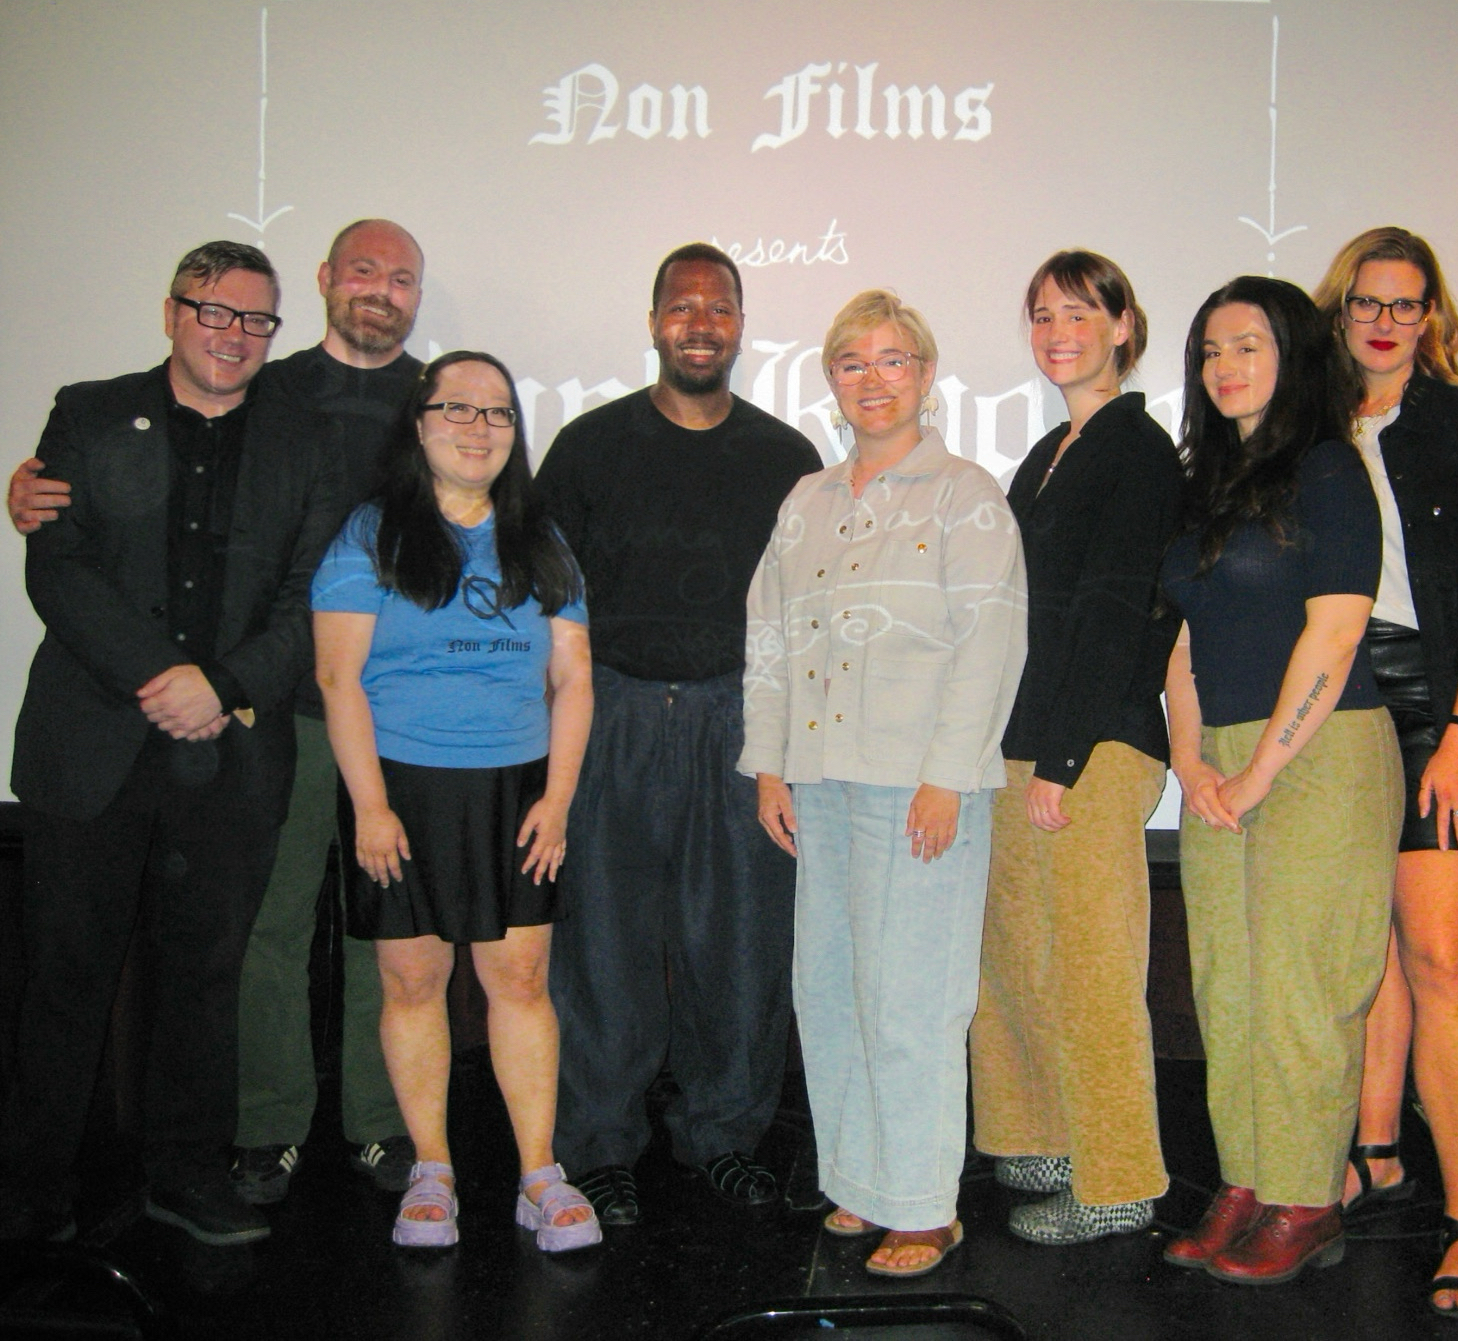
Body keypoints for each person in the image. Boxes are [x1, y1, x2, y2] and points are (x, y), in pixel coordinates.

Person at [7, 219, 429, 1203]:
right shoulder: (122, 408)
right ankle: (37, 1196)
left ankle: (234, 1170)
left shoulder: (372, 417)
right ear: (173, 314)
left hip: (303, 732)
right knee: (91, 977)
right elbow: (61, 562)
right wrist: (167, 677)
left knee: (247, 972)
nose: (233, 334)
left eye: (252, 320)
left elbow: (315, 585)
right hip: (150, 736)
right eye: (213, 313)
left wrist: (227, 685)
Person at [742, 289, 1027, 1278]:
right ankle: (862, 1182)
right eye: (853, 362)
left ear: (926, 374)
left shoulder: (965, 496)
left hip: (919, 791)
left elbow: (990, 646)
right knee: (830, 994)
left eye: (893, 359)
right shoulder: (806, 501)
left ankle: (926, 1209)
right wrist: (769, 764)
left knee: (912, 1002)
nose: (873, 379)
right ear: (832, 379)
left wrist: (948, 778)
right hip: (820, 784)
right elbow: (770, 636)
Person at [535, 244, 822, 1225]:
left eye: (720, 307)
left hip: (739, 720)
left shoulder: (785, 458)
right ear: (654, 320)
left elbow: (807, 612)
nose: (701, 323)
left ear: (741, 325)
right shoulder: (587, 447)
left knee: (740, 945)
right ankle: (600, 1145)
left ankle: (725, 1134)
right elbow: (545, 600)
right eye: (682, 305)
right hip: (611, 712)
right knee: (602, 944)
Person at [312, 350, 599, 1251]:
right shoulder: (371, 534)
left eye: (499, 413)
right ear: (419, 422)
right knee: (412, 982)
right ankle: (431, 1172)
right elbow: (338, 679)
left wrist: (558, 799)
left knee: (520, 981)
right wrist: (370, 808)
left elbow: (574, 678)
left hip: (517, 789)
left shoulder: (539, 538)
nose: (480, 428)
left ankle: (539, 1177)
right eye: (458, 409)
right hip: (400, 789)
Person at [1309, 227, 1458, 1316]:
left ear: (1431, 315)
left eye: (1406, 304)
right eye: (1368, 302)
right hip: (1335, 696)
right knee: (1370, 949)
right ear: (1340, 308)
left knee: (1442, 957)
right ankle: (1377, 1155)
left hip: (1439, 705)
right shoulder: (1311, 426)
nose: (1385, 322)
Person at [1158, 276, 1401, 1285]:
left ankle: (1307, 1199)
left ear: (1294, 355)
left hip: (1322, 755)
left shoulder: (1330, 469)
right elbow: (1182, 638)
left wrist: (1261, 769)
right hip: (1220, 758)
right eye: (1211, 350)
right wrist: (1190, 761)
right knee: (1229, 985)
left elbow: (1335, 633)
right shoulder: (1205, 483)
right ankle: (1248, 1183)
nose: (1226, 366)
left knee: (1305, 985)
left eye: (1248, 345)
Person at [967, 251, 1182, 1245]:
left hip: (1091, 744)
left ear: (1123, 327)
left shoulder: (1137, 450)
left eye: (1080, 313)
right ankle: (1040, 1139)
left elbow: (1115, 609)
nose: (1058, 332)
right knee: (1018, 957)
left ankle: (1120, 1181)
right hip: (1026, 738)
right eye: (1043, 314)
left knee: (1094, 970)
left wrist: (1064, 758)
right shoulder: (1053, 450)